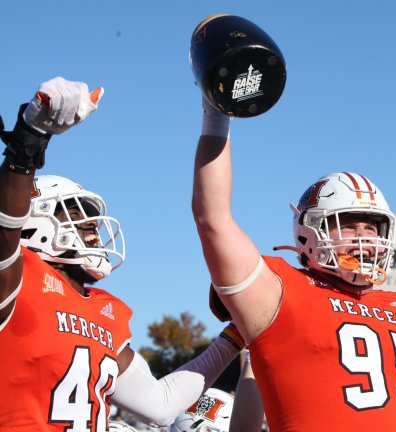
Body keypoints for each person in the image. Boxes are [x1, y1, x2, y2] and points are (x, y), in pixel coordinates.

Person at [192, 90, 396, 431]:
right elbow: (212, 218)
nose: (365, 238)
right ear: (310, 231)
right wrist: (217, 117)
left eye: (372, 227)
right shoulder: (280, 289)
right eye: (349, 225)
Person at [0, 77, 244, 431]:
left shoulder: (103, 312)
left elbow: (161, 405)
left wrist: (237, 334)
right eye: (74, 212)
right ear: (32, 224)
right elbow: (5, 226)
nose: (91, 225)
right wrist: (28, 142)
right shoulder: (17, 281)